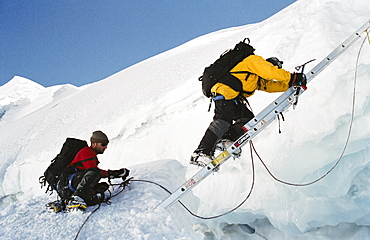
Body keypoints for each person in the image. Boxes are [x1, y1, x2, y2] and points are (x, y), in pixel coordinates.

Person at [190, 55, 306, 167]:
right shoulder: (254, 61)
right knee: (223, 120)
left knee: (248, 119)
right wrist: (293, 77)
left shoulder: (256, 79)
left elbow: (270, 86)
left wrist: (290, 84)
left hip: (233, 97)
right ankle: (201, 152)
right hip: (224, 92)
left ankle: (227, 139)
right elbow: (270, 71)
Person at [65, 130, 130, 211]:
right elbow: (94, 171)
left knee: (103, 186)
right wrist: (114, 173)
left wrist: (115, 173)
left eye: (106, 145)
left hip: (73, 183)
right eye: (103, 144)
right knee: (95, 172)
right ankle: (77, 199)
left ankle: (75, 200)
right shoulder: (86, 152)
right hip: (70, 182)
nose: (105, 147)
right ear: (94, 144)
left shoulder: (90, 153)